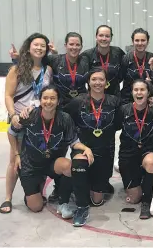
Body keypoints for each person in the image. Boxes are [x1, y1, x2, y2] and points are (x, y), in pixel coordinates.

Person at [8, 85, 94, 227]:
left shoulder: (64, 118)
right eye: (45, 98)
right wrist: (16, 154)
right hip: (30, 165)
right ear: (40, 100)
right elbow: (11, 132)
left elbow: (73, 141)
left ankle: (63, 202)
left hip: (52, 162)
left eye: (52, 98)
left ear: (58, 101)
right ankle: (35, 190)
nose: (49, 101)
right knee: (36, 207)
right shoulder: (29, 115)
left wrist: (85, 148)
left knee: (68, 165)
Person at [0, 33, 53, 214]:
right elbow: (8, 95)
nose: (39, 48)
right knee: (15, 159)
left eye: (43, 46)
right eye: (36, 45)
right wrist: (13, 114)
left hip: (40, 122)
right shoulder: (17, 70)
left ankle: (35, 192)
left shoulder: (48, 70)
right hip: (21, 120)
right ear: (28, 47)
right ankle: (8, 197)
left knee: (40, 158)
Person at [117, 79, 153, 219]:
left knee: (150, 162)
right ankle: (143, 179)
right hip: (128, 154)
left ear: (148, 93)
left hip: (148, 150)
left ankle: (147, 202)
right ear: (132, 93)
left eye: (142, 89)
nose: (139, 92)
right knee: (134, 198)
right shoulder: (123, 110)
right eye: (136, 90)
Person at [63, 67, 121, 207]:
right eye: (94, 79)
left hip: (106, 151)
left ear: (106, 82)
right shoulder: (78, 102)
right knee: (81, 180)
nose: (98, 83)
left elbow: (118, 124)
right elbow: (65, 119)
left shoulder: (114, 102)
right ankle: (75, 185)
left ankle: (97, 185)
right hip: (83, 149)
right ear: (88, 82)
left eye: (101, 79)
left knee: (96, 201)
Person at [81, 25, 125, 97]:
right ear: (96, 37)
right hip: (93, 98)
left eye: (107, 36)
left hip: (114, 97)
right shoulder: (87, 55)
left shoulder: (118, 52)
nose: (104, 39)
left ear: (111, 38)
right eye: (101, 35)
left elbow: (124, 71)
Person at [120, 28, 153, 105]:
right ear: (132, 41)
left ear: (147, 42)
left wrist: (151, 83)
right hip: (128, 102)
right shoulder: (125, 59)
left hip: (149, 101)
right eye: (137, 40)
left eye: (143, 40)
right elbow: (119, 79)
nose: (140, 43)